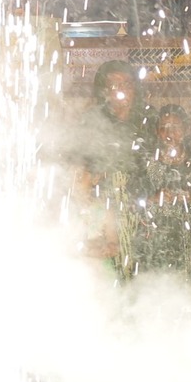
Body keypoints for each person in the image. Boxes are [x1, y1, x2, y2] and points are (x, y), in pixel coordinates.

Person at [134, 105, 191, 290]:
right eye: (164, 128)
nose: (170, 133)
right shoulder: (147, 162)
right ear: (157, 132)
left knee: (189, 289)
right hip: (153, 240)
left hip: (189, 240)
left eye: (176, 127)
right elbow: (134, 200)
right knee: (154, 290)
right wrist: (154, 198)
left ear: (186, 130)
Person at [79, 59, 151, 272]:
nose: (121, 91)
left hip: (141, 211)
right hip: (102, 210)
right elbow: (82, 166)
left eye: (126, 84)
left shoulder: (148, 121)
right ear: (104, 91)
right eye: (114, 85)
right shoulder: (92, 122)